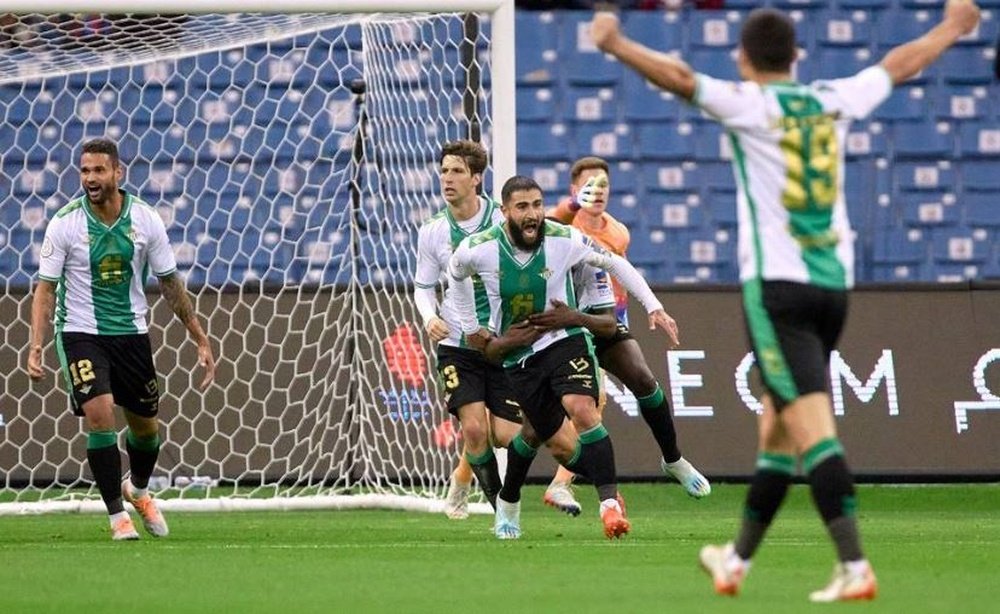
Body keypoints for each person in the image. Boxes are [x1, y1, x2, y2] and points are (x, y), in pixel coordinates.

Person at [591, 0, 980, 602]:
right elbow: (899, 64)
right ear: (795, 57)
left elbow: (679, 77)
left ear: (744, 59)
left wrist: (615, 42)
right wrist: (954, 27)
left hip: (777, 292)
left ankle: (854, 563)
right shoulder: (832, 98)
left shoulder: (750, 103)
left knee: (811, 430)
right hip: (832, 289)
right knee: (775, 430)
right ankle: (736, 560)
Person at [449, 175, 680, 540]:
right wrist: (472, 327)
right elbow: (455, 273)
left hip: (563, 337)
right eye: (522, 207)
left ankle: (609, 507)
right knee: (538, 433)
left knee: (583, 408)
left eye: (537, 205)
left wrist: (653, 306)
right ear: (505, 211)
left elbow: (615, 264)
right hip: (518, 354)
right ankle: (509, 501)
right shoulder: (480, 249)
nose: (532, 214)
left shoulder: (565, 239)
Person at [26, 137, 216, 541]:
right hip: (80, 332)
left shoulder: (145, 220)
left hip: (131, 333)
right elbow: (45, 289)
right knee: (100, 413)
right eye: (84, 171)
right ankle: (117, 516)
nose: (90, 179)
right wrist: (37, 345)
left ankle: (139, 489)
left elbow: (169, 284)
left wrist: (199, 337)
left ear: (117, 172)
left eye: (98, 170)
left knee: (146, 430)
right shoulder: (65, 222)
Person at [541, 157, 711, 516]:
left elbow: (620, 270)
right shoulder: (559, 226)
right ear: (574, 192)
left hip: (604, 318)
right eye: (588, 187)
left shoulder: (617, 232)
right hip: (563, 324)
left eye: (602, 186)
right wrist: (573, 205)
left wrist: (652, 307)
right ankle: (560, 486)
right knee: (586, 406)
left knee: (644, 380)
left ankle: (673, 459)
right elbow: (552, 220)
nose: (596, 193)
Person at [413, 139, 521, 519]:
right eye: (443, 170)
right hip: (457, 345)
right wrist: (429, 317)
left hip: (500, 343)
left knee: (507, 436)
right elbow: (424, 287)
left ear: (476, 178)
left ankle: (461, 479)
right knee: (474, 431)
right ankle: (503, 513)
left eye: (457, 170)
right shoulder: (432, 231)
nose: (447, 177)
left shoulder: (500, 223)